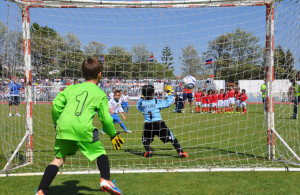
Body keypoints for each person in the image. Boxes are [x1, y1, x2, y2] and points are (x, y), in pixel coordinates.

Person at [35, 57, 124, 195]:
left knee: (58, 159)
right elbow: (106, 119)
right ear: (100, 73)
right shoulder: (100, 94)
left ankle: (41, 190)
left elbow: (56, 106)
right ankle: (106, 179)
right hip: (83, 128)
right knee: (100, 152)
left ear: (83, 73)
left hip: (64, 128)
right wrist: (112, 134)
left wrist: (57, 123)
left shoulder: (71, 88)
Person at [136, 84, 188, 158]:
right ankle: (180, 152)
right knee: (171, 137)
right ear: (153, 94)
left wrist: (141, 97)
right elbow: (168, 103)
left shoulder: (142, 103)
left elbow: (138, 106)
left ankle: (148, 150)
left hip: (148, 125)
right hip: (158, 124)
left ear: (143, 94)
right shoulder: (156, 101)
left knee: (145, 139)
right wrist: (170, 94)